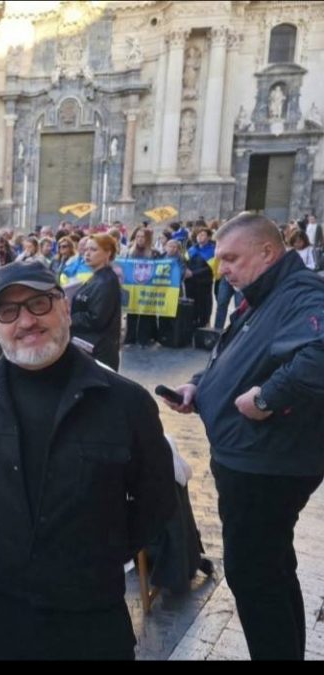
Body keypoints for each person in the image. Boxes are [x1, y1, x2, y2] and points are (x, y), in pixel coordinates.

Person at [0, 261, 175, 660]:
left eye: (38, 303)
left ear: (65, 308)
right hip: (3, 615)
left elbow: (156, 499)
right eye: (8, 311)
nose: (25, 320)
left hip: (91, 616)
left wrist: (101, 555)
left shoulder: (125, 402)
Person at [165, 212, 324, 660]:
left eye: (232, 258)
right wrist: (201, 384)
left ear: (268, 252)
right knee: (272, 568)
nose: (225, 270)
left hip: (267, 463)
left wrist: (267, 399)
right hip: (252, 457)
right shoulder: (263, 293)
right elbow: (238, 355)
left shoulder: (301, 292)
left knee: (253, 574)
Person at [69, 234, 122, 371]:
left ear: (107, 253)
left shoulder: (106, 281)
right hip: (89, 346)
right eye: (86, 249)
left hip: (98, 350)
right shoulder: (97, 277)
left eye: (93, 249)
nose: (87, 253)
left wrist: (68, 318)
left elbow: (97, 318)